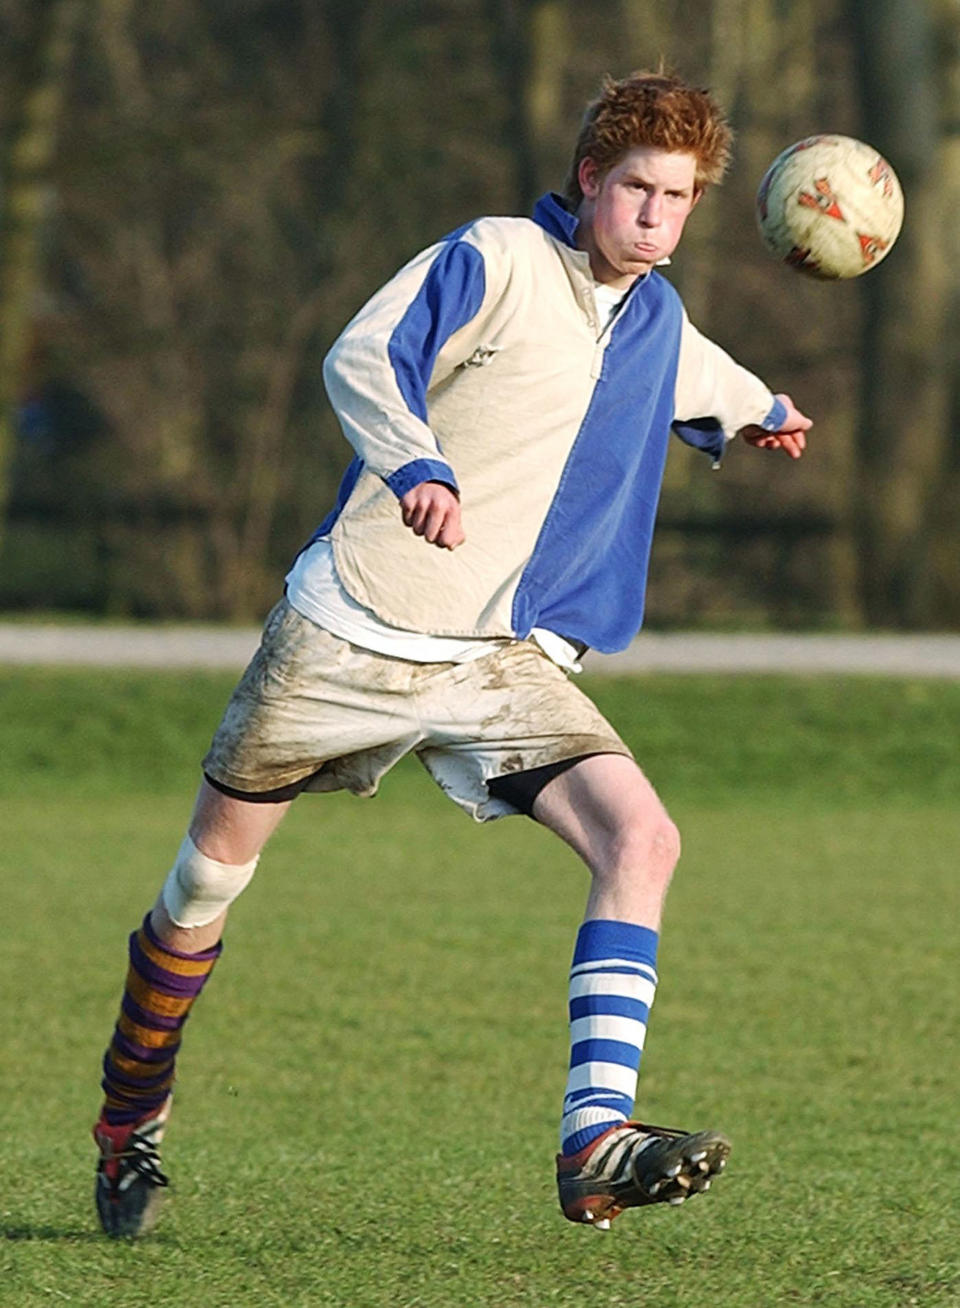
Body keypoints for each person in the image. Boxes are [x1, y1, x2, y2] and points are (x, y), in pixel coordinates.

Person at [92, 69, 812, 1238]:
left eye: (678, 199)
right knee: (202, 892)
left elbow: (696, 373)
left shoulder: (656, 315)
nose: (655, 218)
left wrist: (761, 407)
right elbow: (361, 357)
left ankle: (595, 1141)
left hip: (493, 661)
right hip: (348, 630)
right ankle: (131, 1116)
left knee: (645, 838)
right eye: (636, 189)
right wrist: (415, 462)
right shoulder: (495, 257)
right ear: (589, 179)